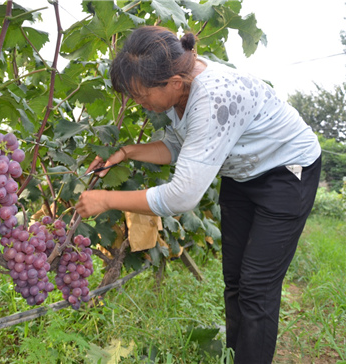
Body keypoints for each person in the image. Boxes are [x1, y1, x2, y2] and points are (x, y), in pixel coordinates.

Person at [75, 26, 321, 364]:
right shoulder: (181, 85)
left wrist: (105, 200)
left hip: (288, 172)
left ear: (174, 83)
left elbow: (182, 197)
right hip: (242, 173)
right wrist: (128, 152)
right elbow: (179, 144)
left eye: (141, 94)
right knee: (235, 280)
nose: (138, 102)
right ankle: (239, 355)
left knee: (256, 287)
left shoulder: (213, 95)